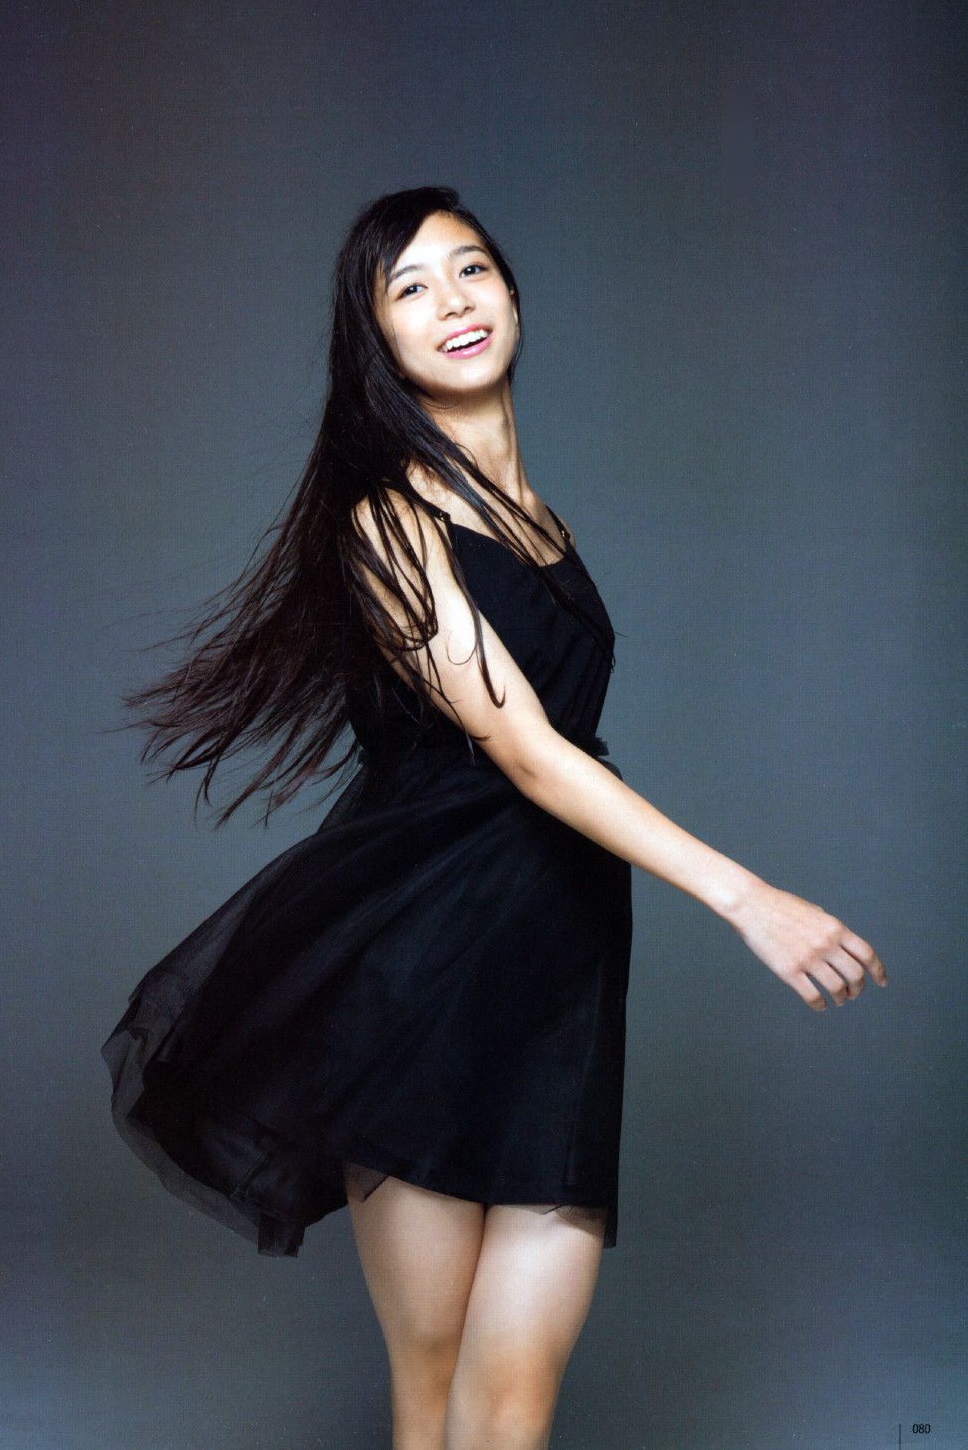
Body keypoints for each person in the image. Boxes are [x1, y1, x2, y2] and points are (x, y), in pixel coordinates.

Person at [101, 185, 888, 1450]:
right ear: (376, 338)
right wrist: (748, 898)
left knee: (513, 1400)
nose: (452, 302)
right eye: (409, 288)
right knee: (431, 1394)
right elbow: (523, 750)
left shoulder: (539, 522)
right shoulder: (387, 522)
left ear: (512, 293)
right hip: (419, 974)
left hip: (559, 969)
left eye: (470, 270)